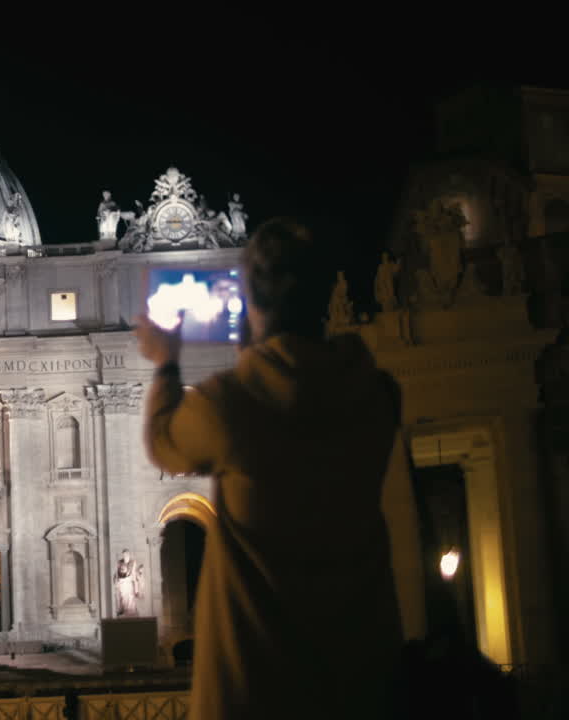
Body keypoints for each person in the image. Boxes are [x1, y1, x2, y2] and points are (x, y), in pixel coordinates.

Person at [135, 218, 406, 720]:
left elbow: (163, 443)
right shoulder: (378, 396)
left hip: (258, 683)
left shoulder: (232, 402)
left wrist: (167, 363)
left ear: (251, 306)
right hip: (359, 678)